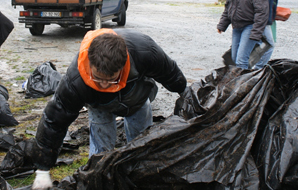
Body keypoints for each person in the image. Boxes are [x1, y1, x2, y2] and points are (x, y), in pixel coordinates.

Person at [30, 28, 187, 189]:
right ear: (90, 65)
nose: (104, 85)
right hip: (99, 105)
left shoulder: (144, 51)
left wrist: (186, 94)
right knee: (100, 151)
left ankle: (139, 176)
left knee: (142, 145)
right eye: (98, 78)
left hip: (136, 98)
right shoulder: (76, 79)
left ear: (123, 65)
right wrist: (43, 169)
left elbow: (170, 73)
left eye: (111, 80)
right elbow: (54, 120)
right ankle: (99, 178)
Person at [217, 0, 269, 70]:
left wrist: (256, 33)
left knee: (241, 60)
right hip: (237, 27)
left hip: (249, 26)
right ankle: (244, 80)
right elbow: (229, 6)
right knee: (235, 58)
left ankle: (244, 86)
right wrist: (222, 24)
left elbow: (262, 11)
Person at [253, 0, 280, 69]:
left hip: (263, 18)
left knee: (258, 45)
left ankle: (247, 69)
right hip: (261, 19)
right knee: (269, 45)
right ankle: (257, 70)